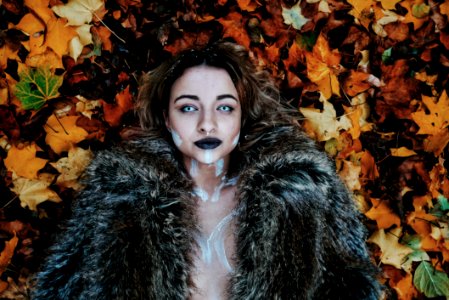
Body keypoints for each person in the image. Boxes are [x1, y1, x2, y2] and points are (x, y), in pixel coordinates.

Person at [32, 41, 382, 299]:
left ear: (243, 117)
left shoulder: (300, 189)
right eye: (188, 108)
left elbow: (354, 287)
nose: (207, 124)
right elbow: (59, 288)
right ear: (166, 118)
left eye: (225, 108)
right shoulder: (122, 194)